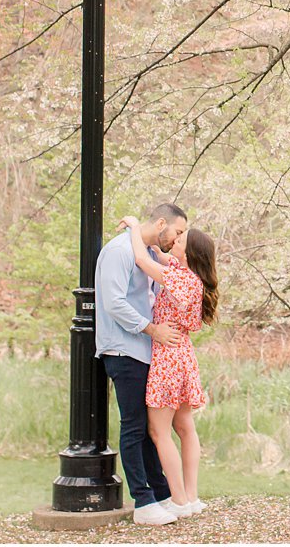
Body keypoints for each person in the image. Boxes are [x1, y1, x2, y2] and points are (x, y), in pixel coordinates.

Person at [119, 214, 220, 518]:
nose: (174, 241)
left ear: (189, 254)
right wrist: (153, 237)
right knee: (185, 427)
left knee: (159, 431)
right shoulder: (189, 275)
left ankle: (178, 499)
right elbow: (160, 255)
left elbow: (141, 258)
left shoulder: (180, 279)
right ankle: (190, 496)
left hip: (168, 355)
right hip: (184, 355)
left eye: (180, 241)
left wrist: (136, 227)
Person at [95, 202, 187, 526]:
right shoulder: (119, 251)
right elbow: (115, 302)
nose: (177, 240)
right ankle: (143, 502)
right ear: (161, 223)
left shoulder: (144, 251)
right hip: (123, 351)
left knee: (150, 431)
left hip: (145, 350)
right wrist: (152, 330)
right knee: (133, 427)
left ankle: (160, 496)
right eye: (176, 232)